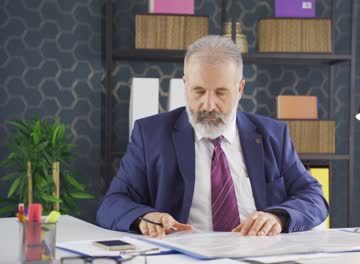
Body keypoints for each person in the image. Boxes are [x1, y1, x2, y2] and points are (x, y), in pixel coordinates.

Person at [96, 35, 328, 238]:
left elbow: (314, 197)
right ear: (185, 86)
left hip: (259, 254)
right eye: (198, 91)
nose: (208, 104)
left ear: (240, 89)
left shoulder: (273, 134)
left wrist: (279, 218)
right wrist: (144, 216)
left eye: (220, 93)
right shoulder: (150, 135)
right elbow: (112, 204)